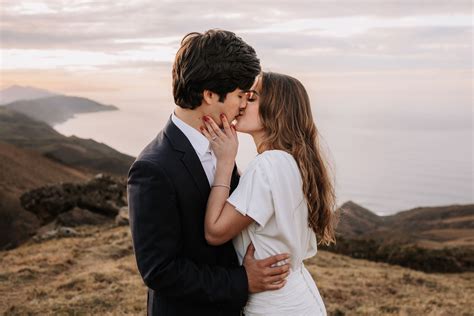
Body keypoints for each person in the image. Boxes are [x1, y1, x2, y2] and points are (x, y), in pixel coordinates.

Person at [127, 30, 290, 316]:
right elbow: (159, 271)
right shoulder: (152, 169)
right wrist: (243, 280)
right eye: (241, 95)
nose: (244, 105)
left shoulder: (223, 145)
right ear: (210, 94)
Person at [200, 72, 337, 315]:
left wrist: (225, 162)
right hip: (297, 295)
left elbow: (214, 231)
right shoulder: (295, 162)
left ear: (276, 109)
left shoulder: (268, 164)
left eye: (251, 98)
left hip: (275, 305)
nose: (241, 104)